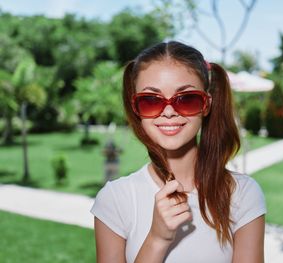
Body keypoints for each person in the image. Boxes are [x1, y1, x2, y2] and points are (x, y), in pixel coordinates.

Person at [91, 41, 266, 263]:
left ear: (206, 104)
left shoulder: (243, 194)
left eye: (187, 99)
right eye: (151, 101)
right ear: (136, 108)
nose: (169, 112)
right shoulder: (114, 200)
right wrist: (157, 239)